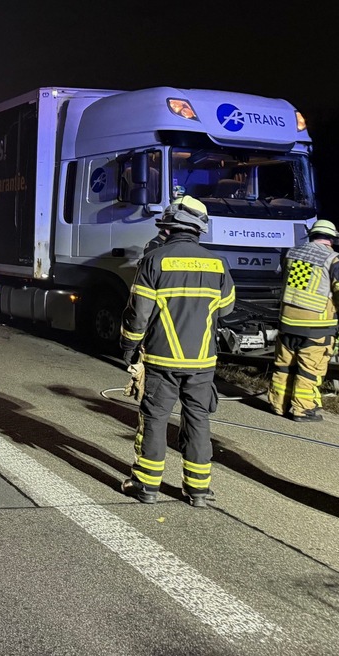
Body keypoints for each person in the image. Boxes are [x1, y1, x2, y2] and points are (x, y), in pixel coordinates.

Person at [119, 196, 235, 506]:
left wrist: (130, 347)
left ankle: (146, 486)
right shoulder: (218, 263)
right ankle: (197, 490)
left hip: (161, 359)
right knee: (198, 420)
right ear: (199, 228)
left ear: (169, 226)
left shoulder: (155, 260)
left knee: (155, 419)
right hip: (203, 362)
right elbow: (226, 309)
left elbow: (138, 314)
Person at [267, 219, 339, 422]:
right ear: (333, 239)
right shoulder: (333, 259)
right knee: (309, 370)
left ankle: (278, 405)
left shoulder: (291, 253)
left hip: (287, 323)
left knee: (284, 366)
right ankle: (303, 409)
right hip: (316, 327)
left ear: (311, 235)